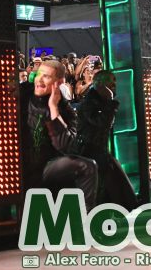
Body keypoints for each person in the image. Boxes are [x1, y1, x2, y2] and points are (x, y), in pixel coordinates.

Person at [19, 60, 98, 210]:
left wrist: (54, 109)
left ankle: (84, 220)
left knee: (87, 166)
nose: (39, 80)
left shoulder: (66, 111)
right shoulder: (23, 95)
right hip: (16, 164)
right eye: (38, 75)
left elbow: (66, 147)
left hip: (46, 168)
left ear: (58, 82)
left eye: (46, 76)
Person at [73, 70, 138, 210]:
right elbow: (102, 123)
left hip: (98, 152)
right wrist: (110, 104)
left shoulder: (99, 101)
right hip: (90, 153)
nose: (114, 85)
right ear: (101, 85)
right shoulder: (90, 102)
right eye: (111, 81)